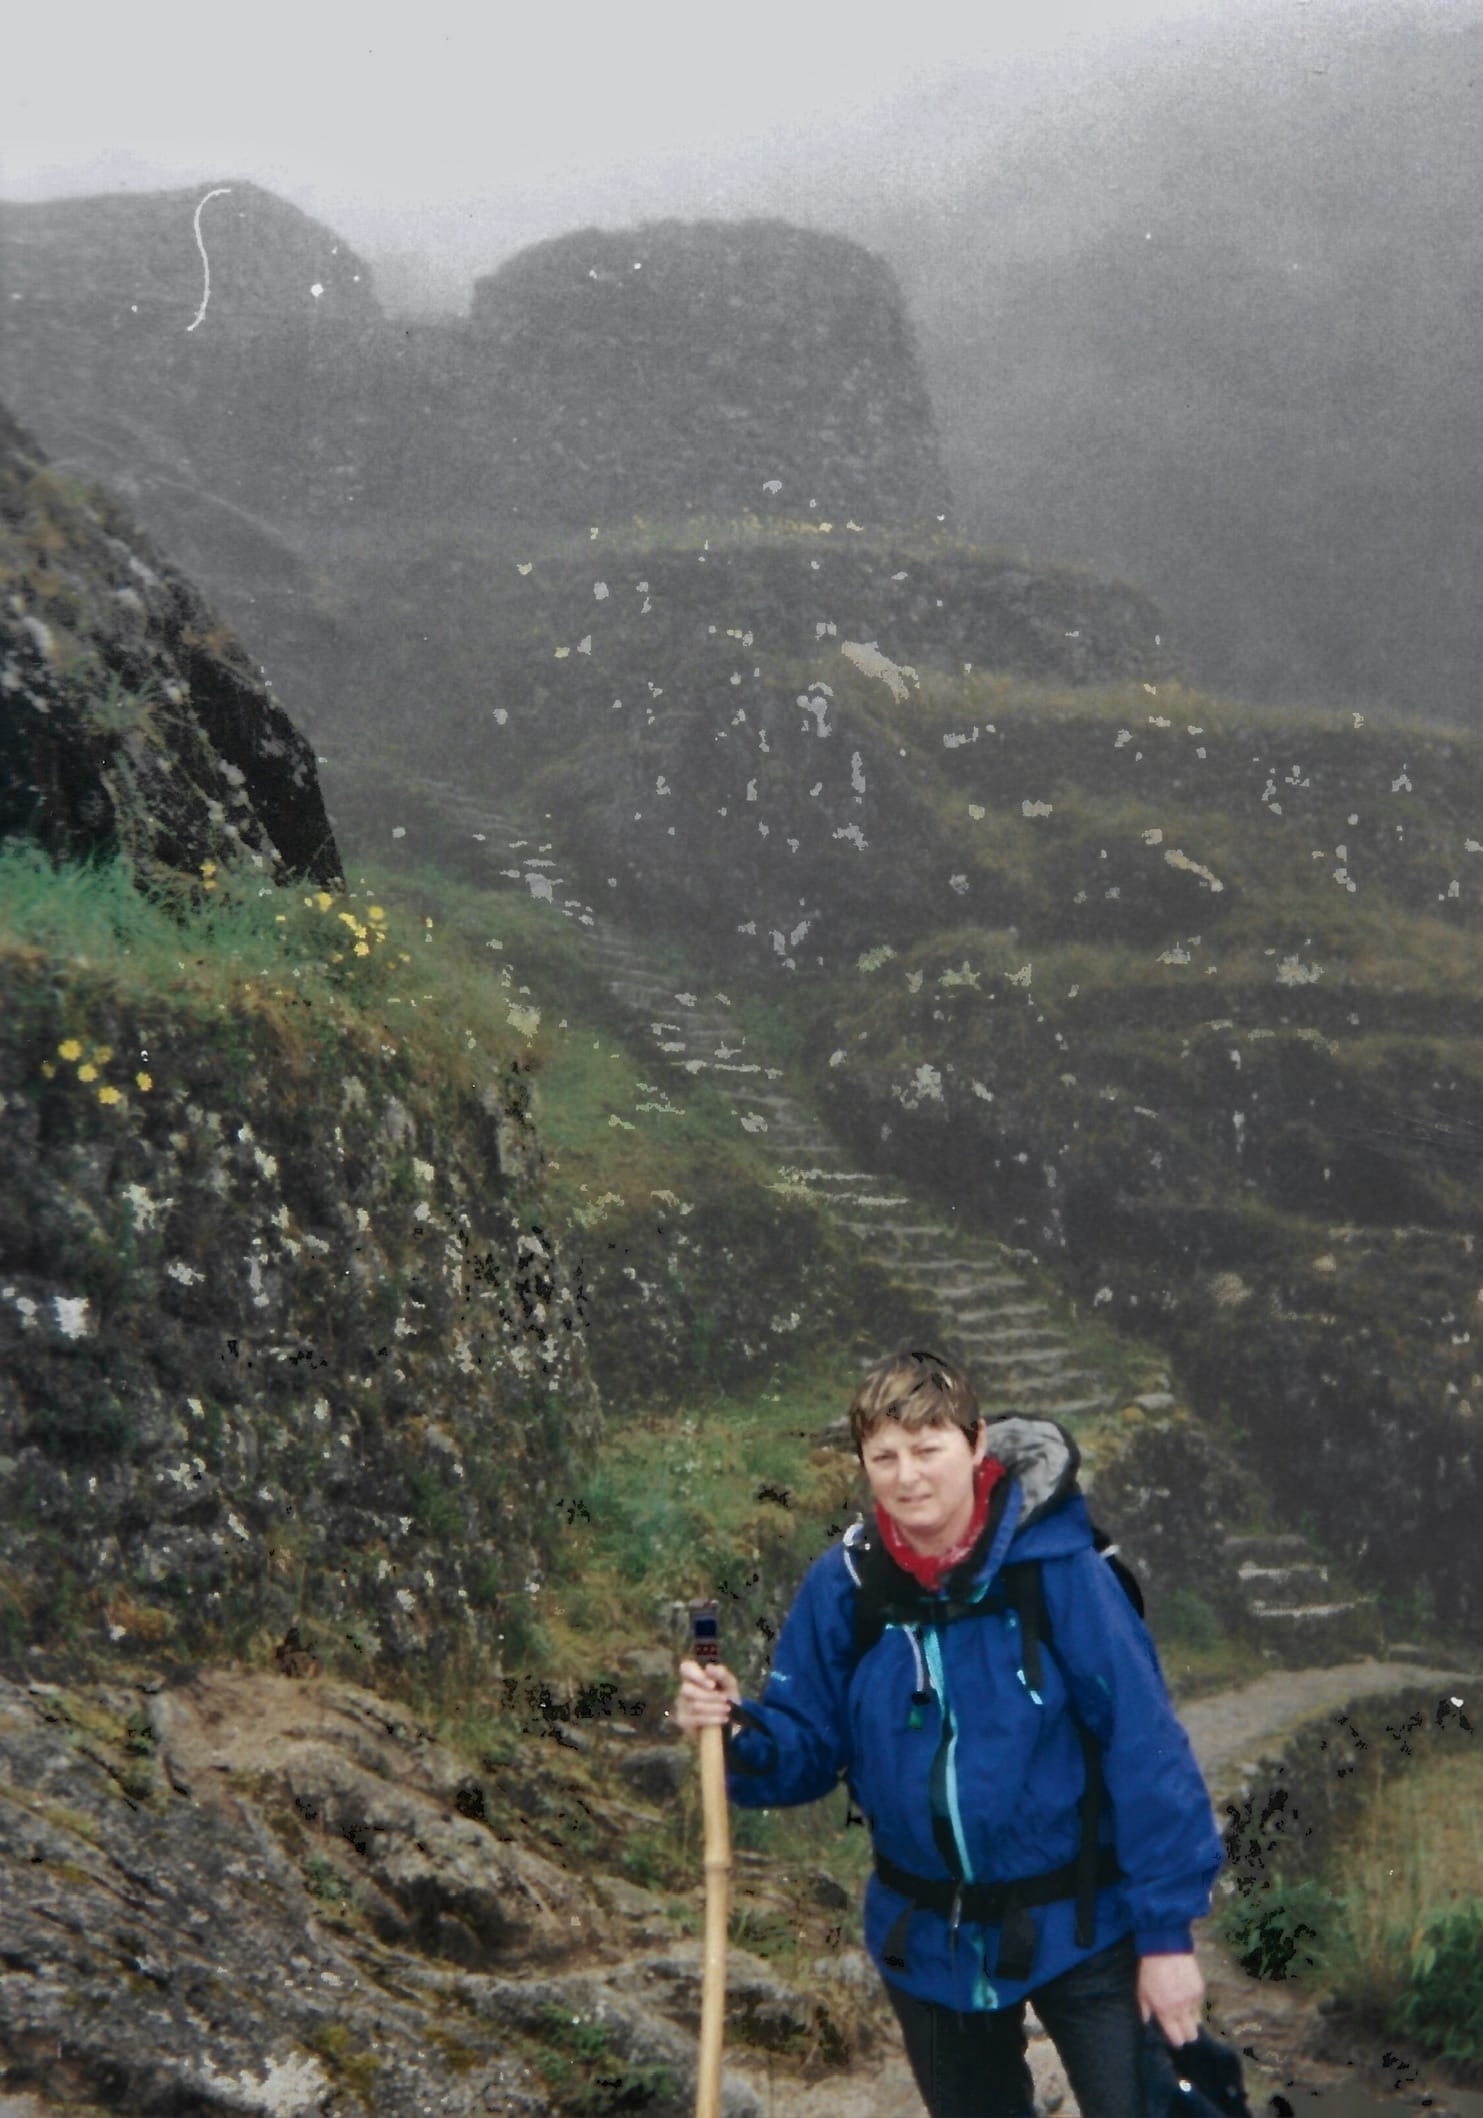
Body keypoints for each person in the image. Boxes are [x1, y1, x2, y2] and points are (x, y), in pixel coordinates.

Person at [673, 1349, 1222, 2118]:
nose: (907, 1477)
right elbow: (806, 1748)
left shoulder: (1057, 1572)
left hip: (1083, 1925)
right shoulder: (847, 1585)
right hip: (927, 1939)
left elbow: (1145, 1748)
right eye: (884, 1457)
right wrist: (732, 1730)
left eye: (927, 1449)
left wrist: (1165, 1940)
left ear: (975, 1443)